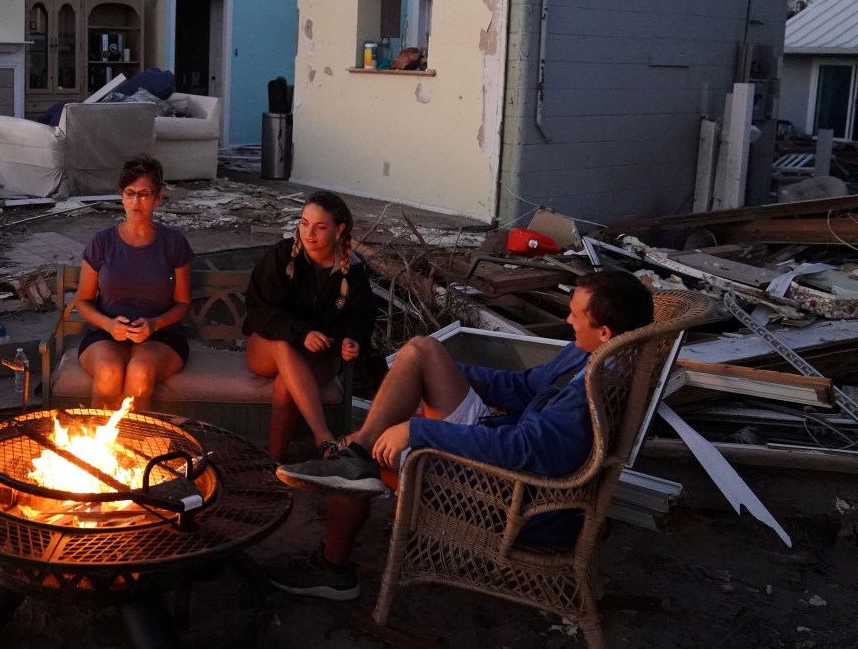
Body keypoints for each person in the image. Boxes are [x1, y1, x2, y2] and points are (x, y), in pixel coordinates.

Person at [267, 270, 654, 601]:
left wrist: (418, 430)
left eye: (574, 316)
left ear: (603, 331)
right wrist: (449, 372)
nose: (568, 321)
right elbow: (524, 387)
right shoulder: (594, 353)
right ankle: (356, 457)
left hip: (513, 493)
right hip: (500, 444)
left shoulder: (593, 389)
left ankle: (333, 569)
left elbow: (525, 450)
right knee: (421, 351)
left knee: (364, 451)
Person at [244, 191, 376, 459]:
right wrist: (301, 334)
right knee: (283, 348)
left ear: (338, 230)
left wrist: (352, 341)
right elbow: (260, 310)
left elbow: (361, 317)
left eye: (320, 226)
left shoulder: (352, 270)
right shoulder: (283, 256)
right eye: (304, 223)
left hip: (319, 353)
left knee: (285, 385)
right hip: (268, 346)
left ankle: (274, 462)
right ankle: (324, 438)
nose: (309, 233)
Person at [73, 154, 194, 410]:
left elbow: (183, 304)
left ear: (158, 198)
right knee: (108, 372)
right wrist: (108, 324)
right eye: (129, 193)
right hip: (106, 333)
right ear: (121, 196)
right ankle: (99, 447)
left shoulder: (173, 243)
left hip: (161, 336)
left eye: (144, 194)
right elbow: (82, 301)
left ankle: (137, 446)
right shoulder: (102, 242)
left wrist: (154, 324)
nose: (136, 201)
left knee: (140, 373)